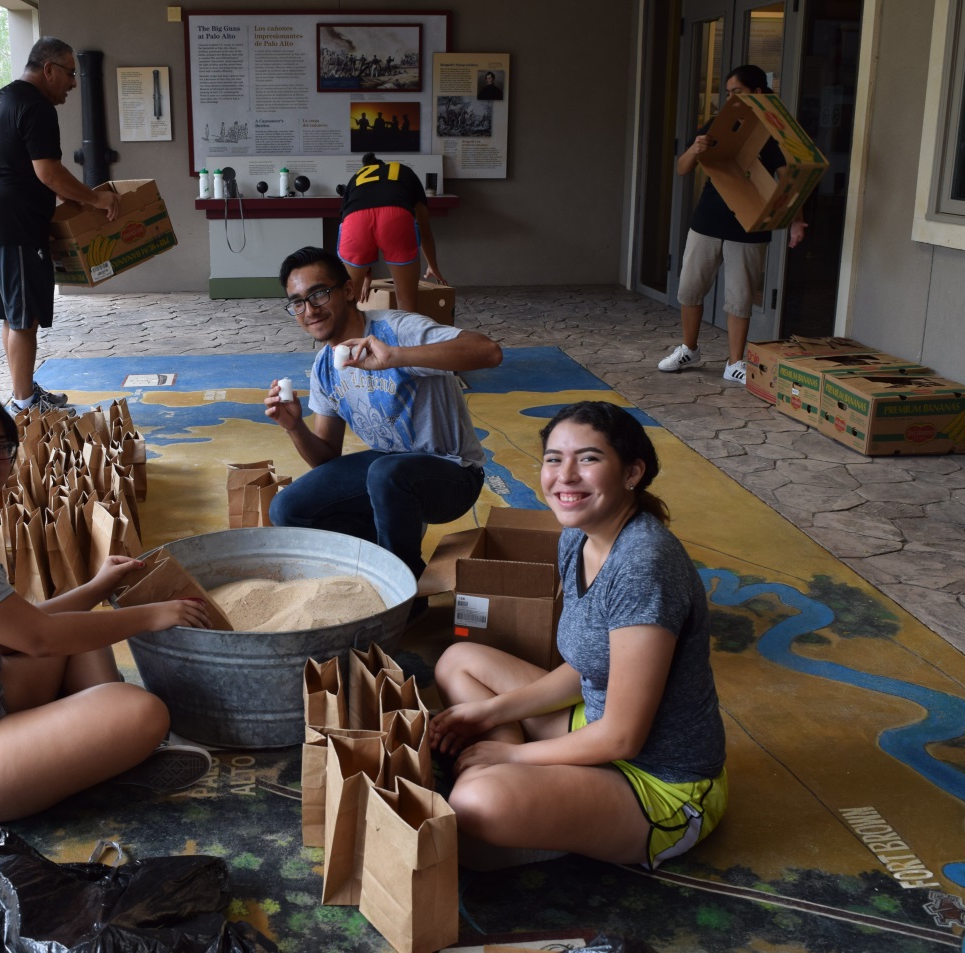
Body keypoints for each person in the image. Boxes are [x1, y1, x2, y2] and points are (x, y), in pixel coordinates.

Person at [0, 383, 213, 826]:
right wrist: (151, 615)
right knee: (143, 712)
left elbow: (17, 628)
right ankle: (117, 746)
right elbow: (38, 639)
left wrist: (95, 588)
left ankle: (108, 749)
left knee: (79, 629)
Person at [429, 400, 727, 868]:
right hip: (594, 725)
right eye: (553, 458)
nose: (565, 476)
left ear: (632, 472)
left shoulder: (644, 566)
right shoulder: (577, 538)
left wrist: (513, 761)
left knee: (475, 802)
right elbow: (589, 666)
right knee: (459, 661)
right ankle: (525, 785)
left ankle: (517, 789)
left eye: (588, 458)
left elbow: (623, 739)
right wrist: (489, 714)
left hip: (658, 781)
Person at [265, 247, 501, 583]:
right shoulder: (325, 369)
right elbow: (327, 458)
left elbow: (489, 352)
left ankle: (404, 588)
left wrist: (396, 357)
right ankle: (375, 559)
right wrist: (293, 427)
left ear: (348, 290)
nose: (310, 310)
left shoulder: (397, 331)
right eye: (298, 301)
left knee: (385, 472)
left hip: (453, 474)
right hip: (389, 472)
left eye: (318, 294)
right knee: (287, 509)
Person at [0, 37, 120, 414]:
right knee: (26, 319)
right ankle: (24, 406)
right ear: (49, 69)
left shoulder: (0, 99)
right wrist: (94, 198)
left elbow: (26, 170)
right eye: (70, 74)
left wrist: (75, 198)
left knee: (13, 315)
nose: (73, 83)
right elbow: (48, 171)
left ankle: (23, 392)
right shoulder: (36, 106)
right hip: (17, 228)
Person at [658, 65, 807, 385]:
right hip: (708, 220)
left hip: (751, 224)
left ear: (757, 92)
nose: (730, 99)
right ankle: (689, 348)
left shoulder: (774, 130)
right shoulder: (719, 124)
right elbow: (681, 169)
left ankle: (735, 361)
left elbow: (791, 178)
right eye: (727, 93)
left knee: (740, 297)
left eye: (736, 92)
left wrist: (797, 220)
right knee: (689, 289)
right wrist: (694, 150)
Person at [337, 153, 446, 315]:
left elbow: (358, 235)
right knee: (406, 302)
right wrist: (433, 266)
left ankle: (347, 338)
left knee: (348, 301)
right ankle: (407, 336)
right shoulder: (404, 172)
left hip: (355, 220)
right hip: (396, 217)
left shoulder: (357, 177)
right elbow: (425, 231)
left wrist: (366, 276)